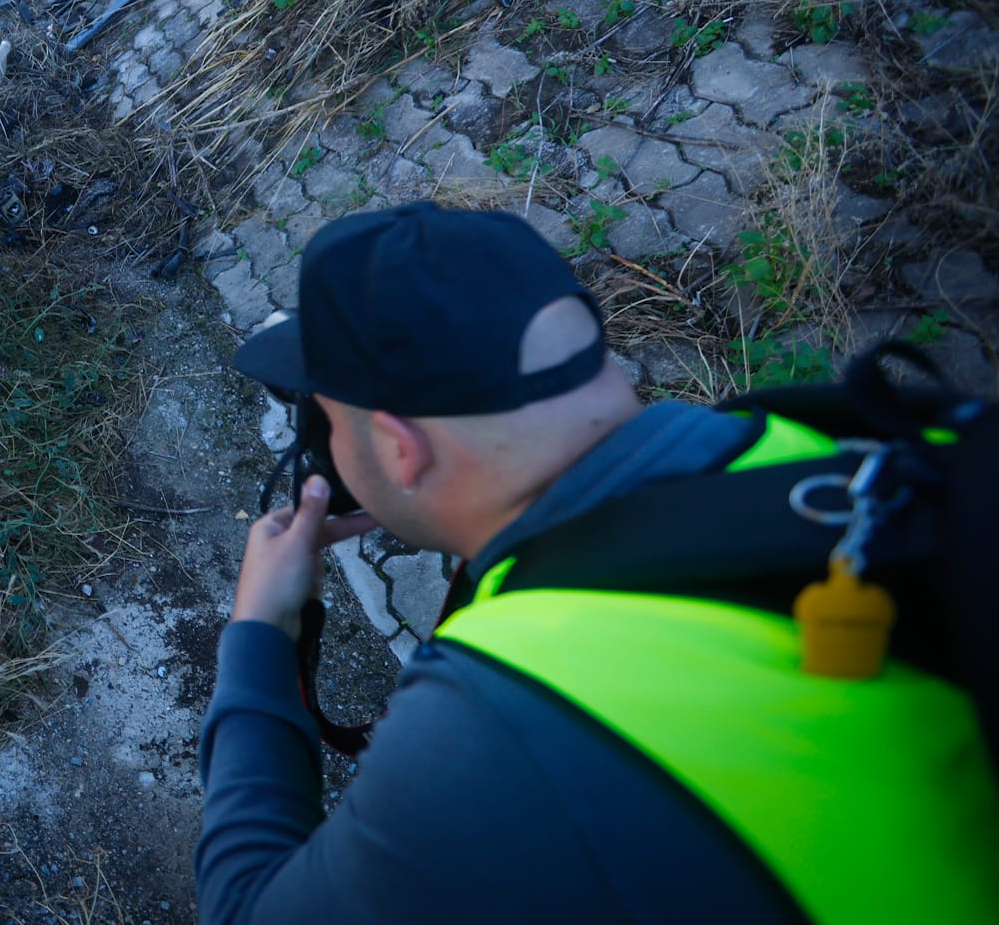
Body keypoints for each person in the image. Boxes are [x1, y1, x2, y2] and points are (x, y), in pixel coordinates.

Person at [197, 200, 998, 924]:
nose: (326, 450)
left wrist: (260, 635)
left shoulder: (491, 732)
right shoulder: (810, 444)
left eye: (330, 423)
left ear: (402, 450)